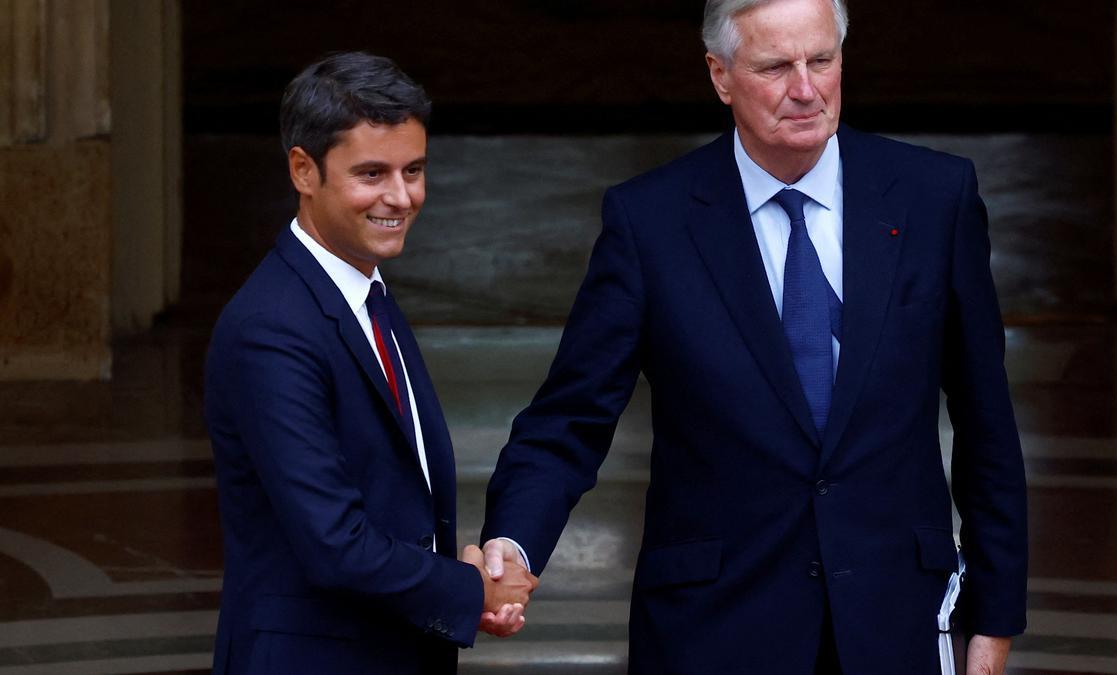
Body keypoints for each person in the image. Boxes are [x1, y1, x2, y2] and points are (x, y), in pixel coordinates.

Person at [478, 1, 1027, 673]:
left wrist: (994, 618)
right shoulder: (650, 222)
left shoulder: (932, 198)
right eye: (775, 66)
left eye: (821, 60)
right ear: (721, 75)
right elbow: (570, 417)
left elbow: (987, 423)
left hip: (896, 621)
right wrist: (515, 542)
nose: (806, 88)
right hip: (714, 627)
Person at [204, 51, 536, 675]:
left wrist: (456, 583)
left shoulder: (364, 292)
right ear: (304, 170)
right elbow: (334, 542)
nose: (401, 197)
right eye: (372, 174)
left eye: (414, 170)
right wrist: (470, 592)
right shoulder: (270, 328)